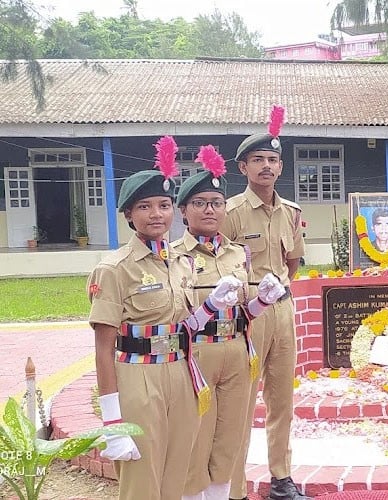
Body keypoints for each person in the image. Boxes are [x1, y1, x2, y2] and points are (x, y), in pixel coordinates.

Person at [87, 136, 242, 500]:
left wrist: (212, 306)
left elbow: (183, 326)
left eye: (163, 205)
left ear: (174, 211)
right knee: (143, 481)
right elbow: (102, 350)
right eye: (145, 206)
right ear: (129, 214)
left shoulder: (181, 261)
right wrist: (112, 421)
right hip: (138, 376)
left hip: (181, 372)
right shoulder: (114, 269)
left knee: (178, 476)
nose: (156, 214)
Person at [172, 145, 287, 500]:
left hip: (237, 353)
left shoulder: (238, 254)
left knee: (228, 442)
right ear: (184, 210)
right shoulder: (174, 256)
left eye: (216, 203)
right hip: (198, 357)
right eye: (200, 203)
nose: (210, 210)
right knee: (196, 443)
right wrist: (207, 308)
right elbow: (175, 325)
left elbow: (243, 314)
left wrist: (262, 301)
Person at [222, 107, 310, 500]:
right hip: (246, 313)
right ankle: (235, 485)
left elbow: (293, 261)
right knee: (242, 399)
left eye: (273, 160)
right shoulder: (230, 213)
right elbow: (220, 264)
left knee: (281, 397)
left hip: (283, 310)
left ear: (281, 166)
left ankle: (281, 477)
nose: (266, 166)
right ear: (243, 167)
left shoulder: (291, 212)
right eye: (258, 160)